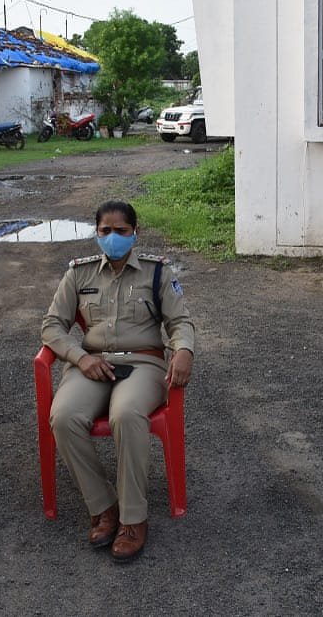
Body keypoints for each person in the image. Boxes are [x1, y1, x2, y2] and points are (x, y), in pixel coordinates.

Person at [42, 200, 195, 563]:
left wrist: (185, 349)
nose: (112, 238)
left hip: (143, 364)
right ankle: (104, 506)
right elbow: (51, 326)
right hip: (92, 364)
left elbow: (180, 322)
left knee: (125, 414)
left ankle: (133, 519)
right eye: (105, 231)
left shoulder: (157, 272)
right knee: (63, 416)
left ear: (134, 234)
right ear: (96, 234)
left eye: (121, 231)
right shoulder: (78, 274)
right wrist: (80, 357)